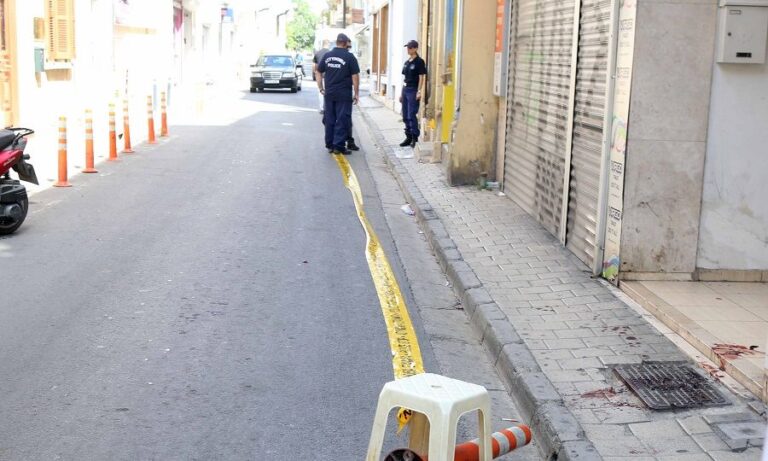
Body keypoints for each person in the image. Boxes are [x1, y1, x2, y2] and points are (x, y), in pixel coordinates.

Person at [316, 33, 360, 156]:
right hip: (343, 94)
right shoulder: (349, 57)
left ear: (336, 42)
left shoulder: (327, 55)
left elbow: (318, 71)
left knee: (329, 119)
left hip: (329, 94)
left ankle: (330, 145)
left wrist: (321, 88)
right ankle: (338, 146)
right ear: (345, 43)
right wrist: (356, 93)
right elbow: (355, 76)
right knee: (342, 119)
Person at [399, 40, 427, 148]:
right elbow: (405, 78)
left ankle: (415, 137)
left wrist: (419, 91)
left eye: (410, 48)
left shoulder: (419, 62)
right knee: (405, 114)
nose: (408, 49)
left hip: (413, 90)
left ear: (415, 48)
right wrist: (402, 93)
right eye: (407, 48)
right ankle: (408, 136)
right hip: (405, 89)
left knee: (411, 114)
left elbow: (421, 77)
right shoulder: (407, 62)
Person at [312, 41, 331, 113]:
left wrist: (315, 73)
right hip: (329, 76)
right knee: (328, 91)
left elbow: (314, 65)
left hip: (320, 75)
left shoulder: (317, 53)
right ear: (328, 44)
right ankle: (328, 107)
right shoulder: (330, 53)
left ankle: (322, 108)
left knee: (321, 91)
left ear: (322, 44)